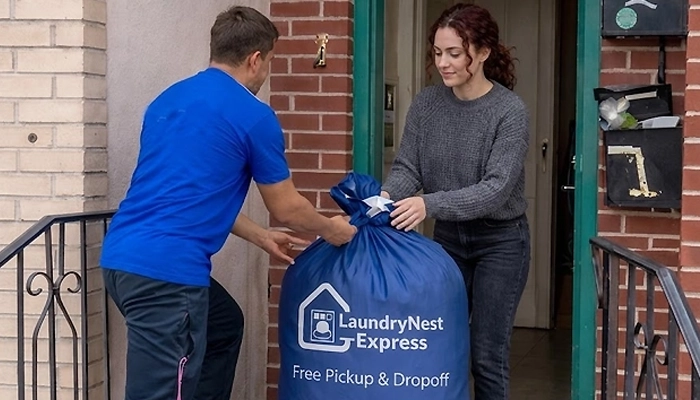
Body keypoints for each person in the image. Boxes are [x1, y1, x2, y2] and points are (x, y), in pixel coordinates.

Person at [99, 6, 356, 400]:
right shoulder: (253, 115)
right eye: (269, 62)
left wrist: (261, 237)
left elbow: (191, 193)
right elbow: (286, 207)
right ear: (255, 59)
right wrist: (331, 229)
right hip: (168, 276)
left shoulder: (167, 100)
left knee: (223, 325)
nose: (266, 73)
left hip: (121, 261)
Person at [381, 4, 530, 400]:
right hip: (448, 239)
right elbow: (408, 167)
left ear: (482, 53)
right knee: (441, 345)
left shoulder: (509, 112)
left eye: (453, 53)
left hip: (501, 243)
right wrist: (386, 197)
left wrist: (427, 205)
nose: (443, 63)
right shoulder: (427, 105)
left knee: (486, 357)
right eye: (437, 53)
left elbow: (496, 189)